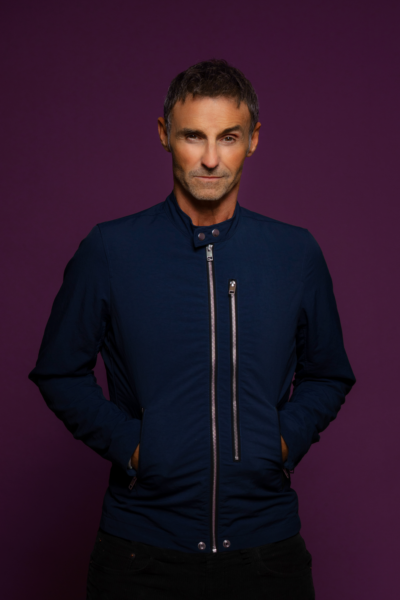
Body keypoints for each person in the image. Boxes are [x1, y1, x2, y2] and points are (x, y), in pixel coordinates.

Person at [28, 59, 356, 599]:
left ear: (252, 140)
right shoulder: (110, 250)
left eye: (227, 137)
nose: (209, 158)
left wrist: (280, 442)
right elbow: (59, 371)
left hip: (266, 556)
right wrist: (134, 448)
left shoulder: (295, 252)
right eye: (192, 136)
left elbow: (328, 374)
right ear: (164, 136)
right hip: (140, 556)